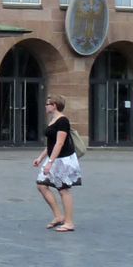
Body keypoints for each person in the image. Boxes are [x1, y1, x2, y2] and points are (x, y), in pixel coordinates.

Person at [33, 95, 80, 232]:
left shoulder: (63, 121)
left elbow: (60, 143)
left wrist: (50, 163)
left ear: (54, 105)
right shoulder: (53, 120)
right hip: (54, 158)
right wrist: (41, 158)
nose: (46, 106)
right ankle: (59, 216)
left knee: (64, 190)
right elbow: (51, 144)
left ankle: (69, 222)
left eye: (48, 104)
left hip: (63, 159)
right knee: (41, 185)